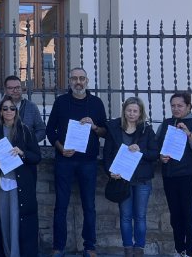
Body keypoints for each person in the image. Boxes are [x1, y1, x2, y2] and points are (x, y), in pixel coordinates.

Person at [46, 67, 107, 257]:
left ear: (87, 81)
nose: (78, 82)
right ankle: (59, 247)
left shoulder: (96, 103)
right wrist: (60, 148)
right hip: (64, 160)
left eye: (81, 78)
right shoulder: (61, 102)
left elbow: (105, 131)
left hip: (88, 162)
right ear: (70, 81)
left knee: (89, 205)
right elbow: (50, 131)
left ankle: (90, 246)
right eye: (74, 78)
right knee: (61, 205)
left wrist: (94, 126)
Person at [155, 91, 192, 257]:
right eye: (173, 106)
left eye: (180, 106)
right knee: (175, 215)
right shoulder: (166, 123)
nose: (176, 109)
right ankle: (180, 250)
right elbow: (156, 146)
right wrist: (160, 157)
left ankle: (191, 251)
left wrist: (188, 134)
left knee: (189, 215)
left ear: (188, 106)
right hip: (170, 175)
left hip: (189, 175)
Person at [103, 97, 157, 257]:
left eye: (135, 111)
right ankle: (127, 248)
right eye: (129, 110)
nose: (132, 114)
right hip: (122, 179)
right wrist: (109, 172)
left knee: (140, 216)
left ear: (140, 113)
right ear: (124, 111)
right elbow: (107, 154)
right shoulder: (114, 128)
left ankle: (139, 249)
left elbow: (154, 154)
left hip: (142, 180)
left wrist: (140, 150)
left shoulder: (147, 130)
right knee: (125, 216)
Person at [0, 95, 42, 257]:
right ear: (0, 112)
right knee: (4, 220)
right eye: (5, 108)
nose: (9, 111)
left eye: (12, 108)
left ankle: (17, 254)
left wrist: (22, 153)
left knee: (18, 221)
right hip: (1, 183)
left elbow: (36, 157)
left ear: (16, 111)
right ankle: (6, 252)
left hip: (20, 185)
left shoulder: (25, 130)